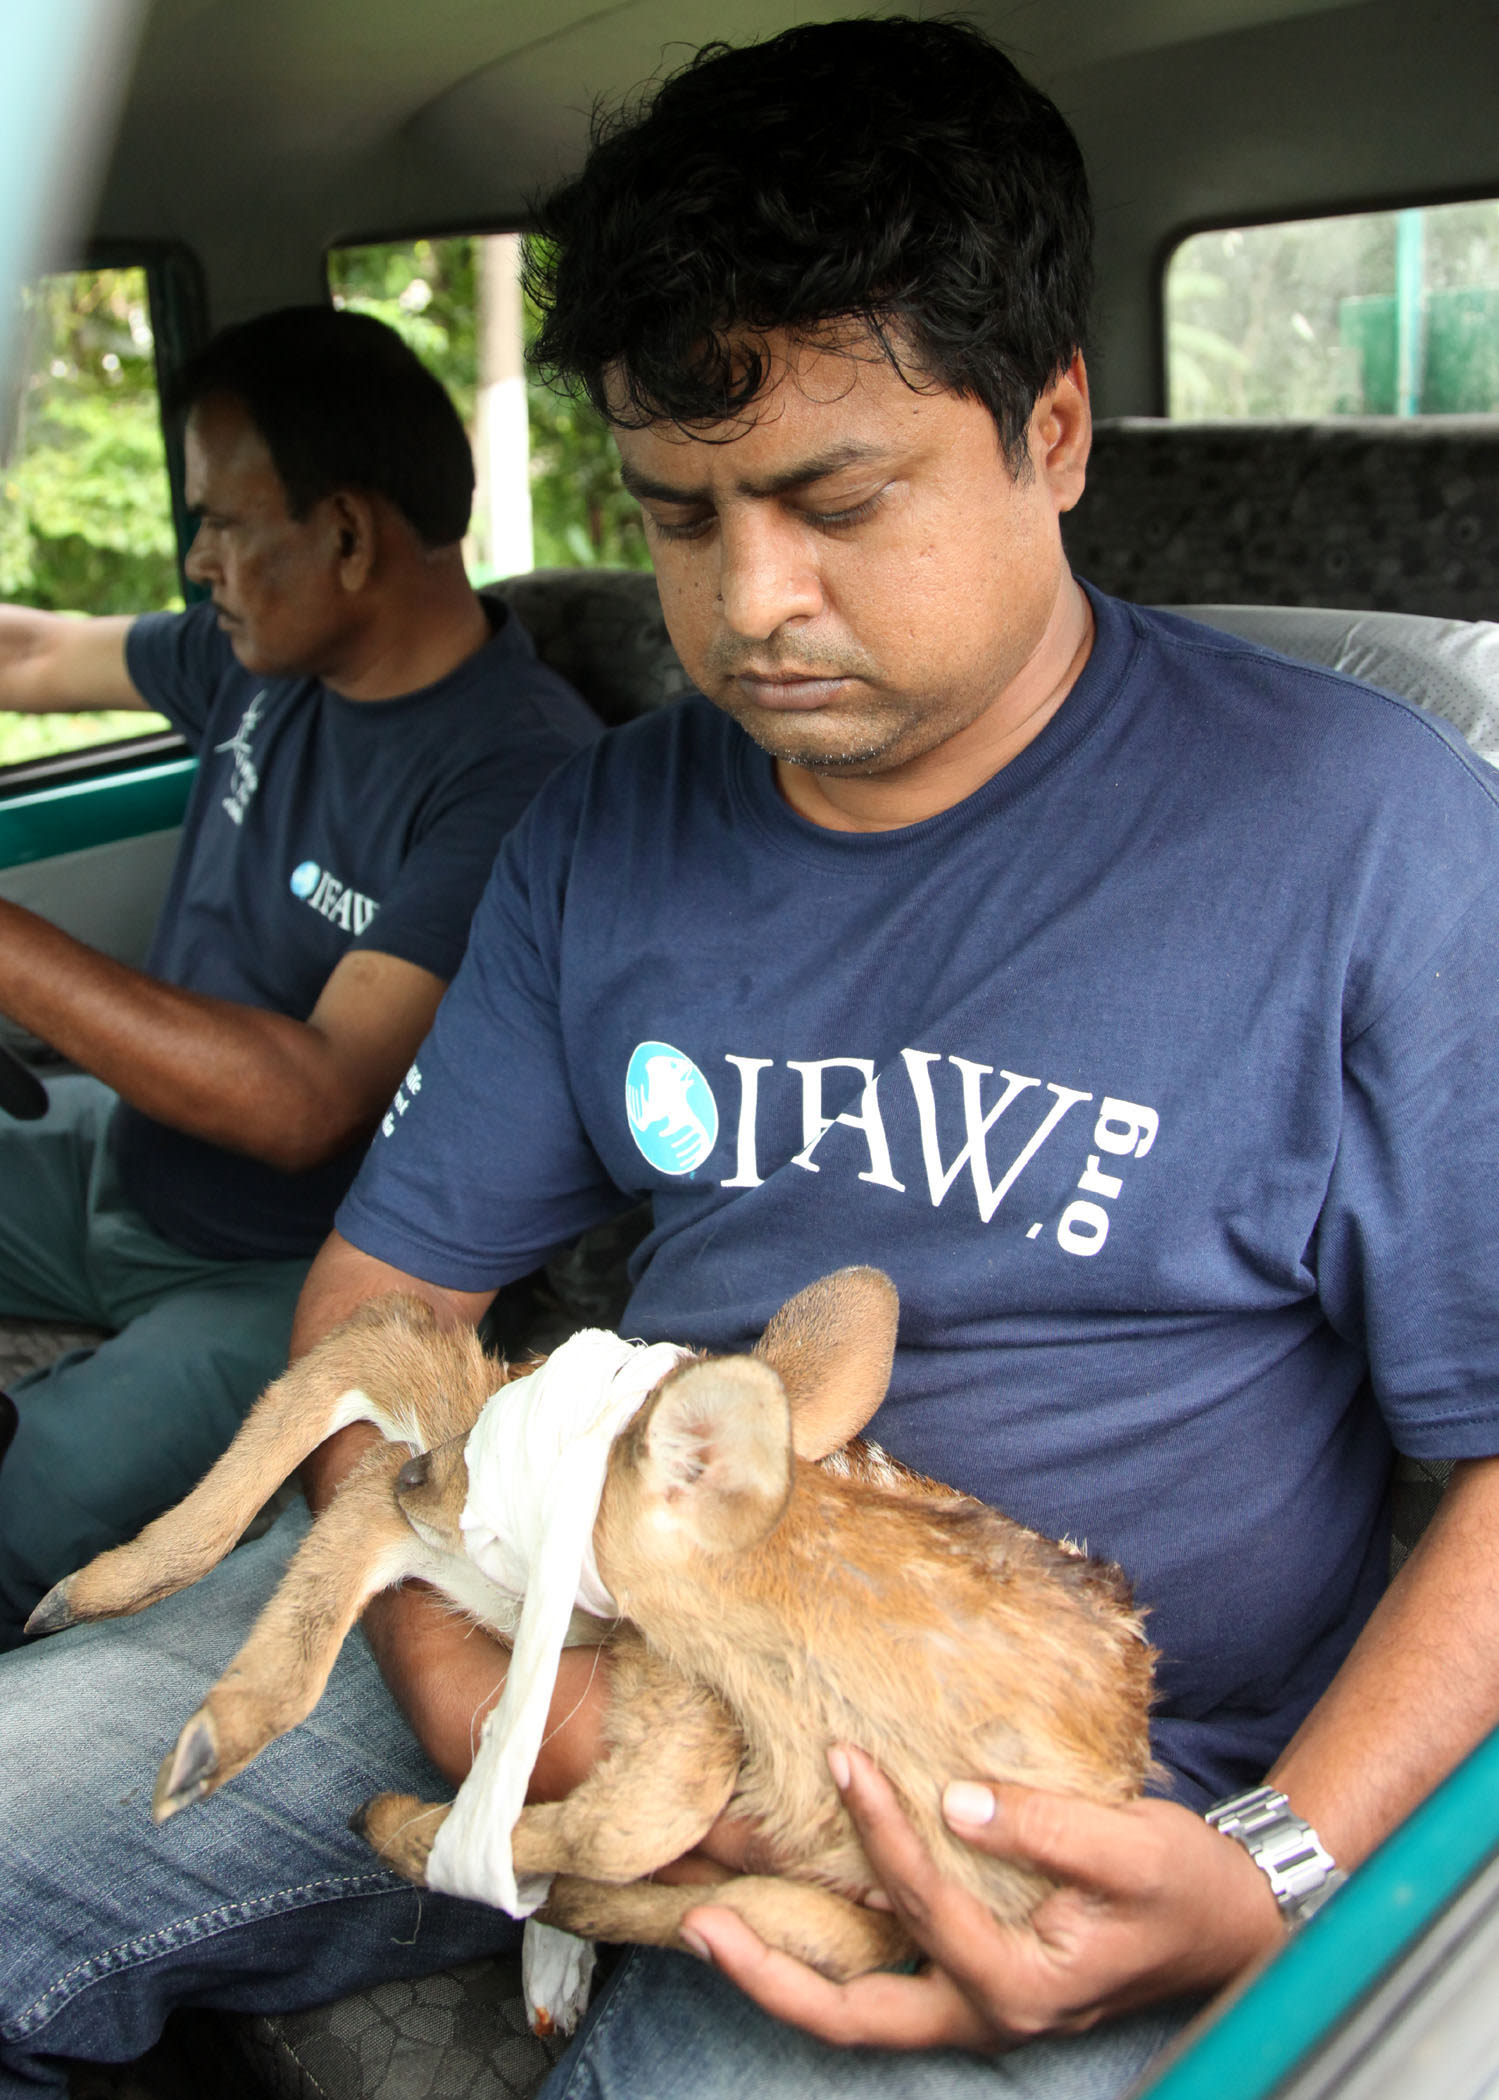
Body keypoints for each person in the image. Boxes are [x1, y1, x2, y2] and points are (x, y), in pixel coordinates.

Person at [3, 18, 1499, 2100]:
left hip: (1016, 1786)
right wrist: (451, 1660)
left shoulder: (1377, 838)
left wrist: (1275, 1860)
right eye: (681, 517)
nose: (751, 602)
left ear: (1054, 427)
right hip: (571, 1604)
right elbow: (386, 1294)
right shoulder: (605, 826)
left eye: (833, 497)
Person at [0, 305, 600, 1644]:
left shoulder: (514, 773)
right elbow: (31, 652)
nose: (199, 562)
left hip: (286, 1269)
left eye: (221, 521)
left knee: (18, 1509)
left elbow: (310, 1101)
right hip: (125, 1163)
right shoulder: (261, 662)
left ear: (345, 534)